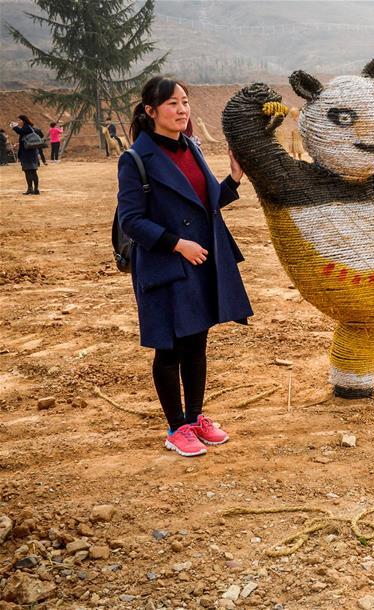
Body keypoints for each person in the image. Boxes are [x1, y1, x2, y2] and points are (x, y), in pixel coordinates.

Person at [117, 76, 253, 457]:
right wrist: (177, 244)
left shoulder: (191, 147)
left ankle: (195, 419)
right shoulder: (135, 161)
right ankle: (175, 427)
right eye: (173, 103)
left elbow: (204, 206)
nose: (181, 110)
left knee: (196, 343)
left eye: (185, 102)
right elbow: (131, 220)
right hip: (165, 265)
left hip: (198, 261)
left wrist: (234, 179)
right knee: (170, 349)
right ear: (151, 111)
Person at [11, 115, 41, 195]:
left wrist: (14, 127)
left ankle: (31, 189)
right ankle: (35, 189)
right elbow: (24, 137)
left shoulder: (26, 127)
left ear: (23, 121)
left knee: (28, 171)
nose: (18, 122)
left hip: (27, 154)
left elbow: (20, 132)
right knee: (33, 171)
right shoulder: (29, 127)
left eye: (19, 120)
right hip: (31, 153)